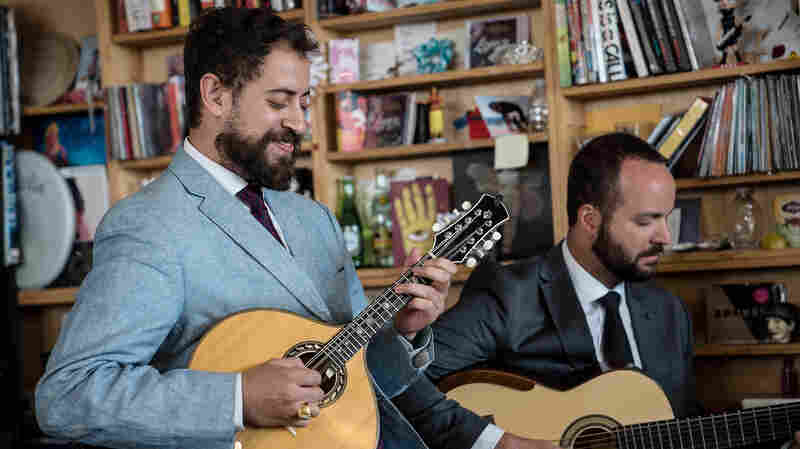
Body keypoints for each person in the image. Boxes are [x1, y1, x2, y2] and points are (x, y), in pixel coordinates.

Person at [34, 8, 457, 449]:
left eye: (304, 102)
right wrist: (236, 399)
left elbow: (352, 376)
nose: (299, 122)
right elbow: (67, 395)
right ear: (216, 95)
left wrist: (402, 328)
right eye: (279, 102)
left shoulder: (316, 220)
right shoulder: (148, 225)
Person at [392, 133, 713, 449]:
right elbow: (399, 379)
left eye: (667, 218)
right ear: (590, 220)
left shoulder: (670, 313)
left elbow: (682, 422)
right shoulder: (510, 295)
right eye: (647, 222)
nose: (666, 237)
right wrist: (499, 442)